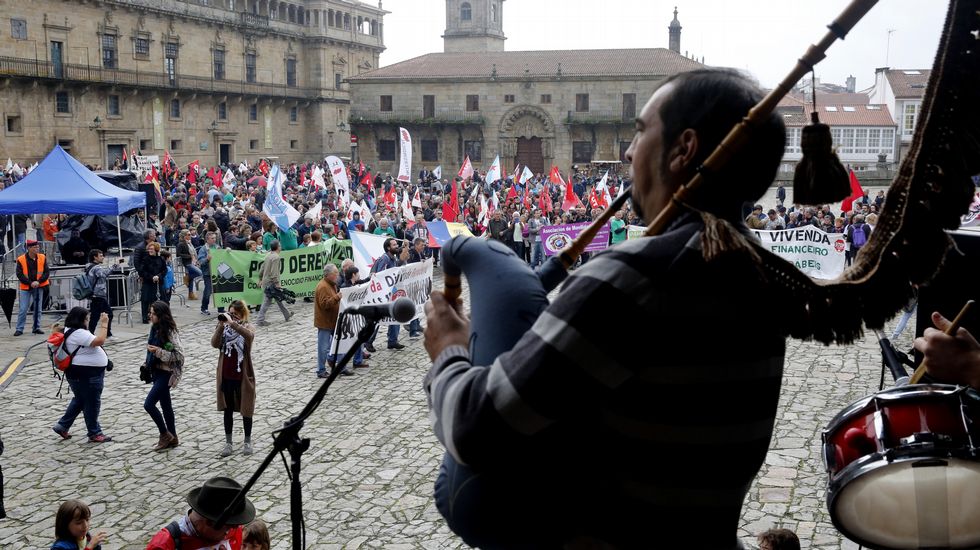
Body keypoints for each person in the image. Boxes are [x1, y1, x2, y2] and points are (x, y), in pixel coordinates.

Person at [423, 68, 787, 548]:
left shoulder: (636, 278)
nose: (629, 153)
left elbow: (474, 430)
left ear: (685, 149)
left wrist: (449, 350)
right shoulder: (761, 274)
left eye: (640, 132)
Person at [52, 307, 113, 443]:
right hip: (86, 374)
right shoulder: (78, 333)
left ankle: (62, 426)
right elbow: (100, 340)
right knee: (91, 403)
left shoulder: (71, 331)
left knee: (80, 400)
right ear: (80, 320)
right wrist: (104, 323)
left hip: (79, 373)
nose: (88, 321)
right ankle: (94, 432)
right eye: (86, 319)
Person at [145, 476, 256, 550]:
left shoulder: (234, 531)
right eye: (228, 528)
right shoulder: (163, 546)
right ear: (208, 522)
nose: (234, 530)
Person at [213, 299, 257, 456]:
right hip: (226, 374)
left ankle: (247, 441)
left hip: (243, 375)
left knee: (246, 409)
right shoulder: (225, 329)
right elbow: (214, 344)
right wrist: (220, 327)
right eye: (230, 313)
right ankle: (228, 442)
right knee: (228, 409)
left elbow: (249, 337)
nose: (232, 316)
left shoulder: (247, 327)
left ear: (242, 314)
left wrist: (233, 324)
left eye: (235, 314)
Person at [144, 301, 183, 452]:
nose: (150, 316)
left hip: (167, 373)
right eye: (150, 313)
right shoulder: (154, 328)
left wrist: (159, 352)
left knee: (149, 404)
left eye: (153, 313)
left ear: (161, 315)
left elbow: (179, 355)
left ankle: (164, 434)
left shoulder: (170, 331)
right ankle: (173, 436)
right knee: (166, 406)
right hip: (157, 371)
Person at [366, 238, 408, 352]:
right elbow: (380, 276)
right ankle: (368, 341)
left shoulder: (393, 258)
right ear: (388, 248)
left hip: (392, 293)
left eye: (396, 244)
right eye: (394, 245)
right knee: (378, 319)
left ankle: (392, 341)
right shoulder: (384, 259)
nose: (396, 246)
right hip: (383, 295)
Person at [314, 264, 348, 378]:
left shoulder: (331, 284)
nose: (338, 275)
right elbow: (325, 305)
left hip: (333, 321)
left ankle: (341, 367)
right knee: (323, 347)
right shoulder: (323, 286)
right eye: (335, 273)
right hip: (325, 322)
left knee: (339, 343)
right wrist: (337, 297)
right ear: (329, 275)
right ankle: (321, 370)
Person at [85, 249, 123, 338]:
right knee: (106, 314)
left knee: (96, 316)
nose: (103, 257)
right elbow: (104, 274)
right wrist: (116, 264)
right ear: (95, 257)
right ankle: (104, 334)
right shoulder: (96, 267)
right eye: (101, 256)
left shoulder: (89, 266)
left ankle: (91, 334)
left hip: (96, 295)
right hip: (98, 295)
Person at [15, 239, 49, 336]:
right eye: (35, 247)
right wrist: (31, 283)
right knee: (23, 309)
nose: (37, 248)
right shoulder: (21, 259)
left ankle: (36, 327)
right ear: (29, 248)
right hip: (26, 287)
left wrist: (38, 282)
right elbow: (19, 274)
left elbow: (46, 272)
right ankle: (19, 329)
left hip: (39, 286)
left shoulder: (42, 257)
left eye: (38, 247)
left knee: (38, 309)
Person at [256, 239, 291, 326]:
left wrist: (260, 278)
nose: (281, 247)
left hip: (266, 281)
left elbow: (262, 269)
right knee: (267, 301)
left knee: (279, 298)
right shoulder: (276, 257)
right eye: (280, 245)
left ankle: (287, 314)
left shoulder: (268, 256)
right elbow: (274, 272)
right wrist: (277, 283)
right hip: (271, 283)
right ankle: (260, 320)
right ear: (278, 247)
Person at [138, 242, 167, 324]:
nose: (150, 251)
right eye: (149, 249)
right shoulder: (145, 259)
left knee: (160, 300)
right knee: (145, 300)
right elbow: (142, 271)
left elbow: (164, 270)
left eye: (152, 249)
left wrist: (158, 276)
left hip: (158, 282)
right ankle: (145, 317)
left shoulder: (160, 259)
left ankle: (160, 317)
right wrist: (151, 277)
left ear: (156, 250)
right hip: (148, 283)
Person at [406, 238, 428, 339]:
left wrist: (427, 261)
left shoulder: (420, 253)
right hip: (411, 284)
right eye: (422, 245)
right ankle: (412, 328)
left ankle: (416, 324)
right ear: (416, 245)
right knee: (413, 306)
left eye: (424, 245)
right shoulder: (411, 253)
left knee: (418, 304)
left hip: (418, 283)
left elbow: (423, 261)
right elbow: (410, 266)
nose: (423, 247)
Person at [198, 231, 219, 315]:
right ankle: (204, 308)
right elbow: (200, 262)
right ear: (207, 239)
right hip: (207, 273)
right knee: (208, 291)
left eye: (215, 238)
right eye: (212, 238)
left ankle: (220, 308)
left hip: (216, 272)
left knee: (219, 291)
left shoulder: (217, 247)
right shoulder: (203, 249)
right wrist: (207, 259)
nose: (214, 240)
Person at [176, 229, 201, 301]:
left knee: (192, 278)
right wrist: (189, 256)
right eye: (189, 234)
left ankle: (191, 294)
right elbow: (178, 254)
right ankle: (187, 278)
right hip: (187, 263)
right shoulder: (181, 244)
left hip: (193, 261)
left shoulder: (189, 243)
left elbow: (193, 252)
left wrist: (195, 259)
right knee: (199, 273)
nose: (190, 236)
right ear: (184, 236)